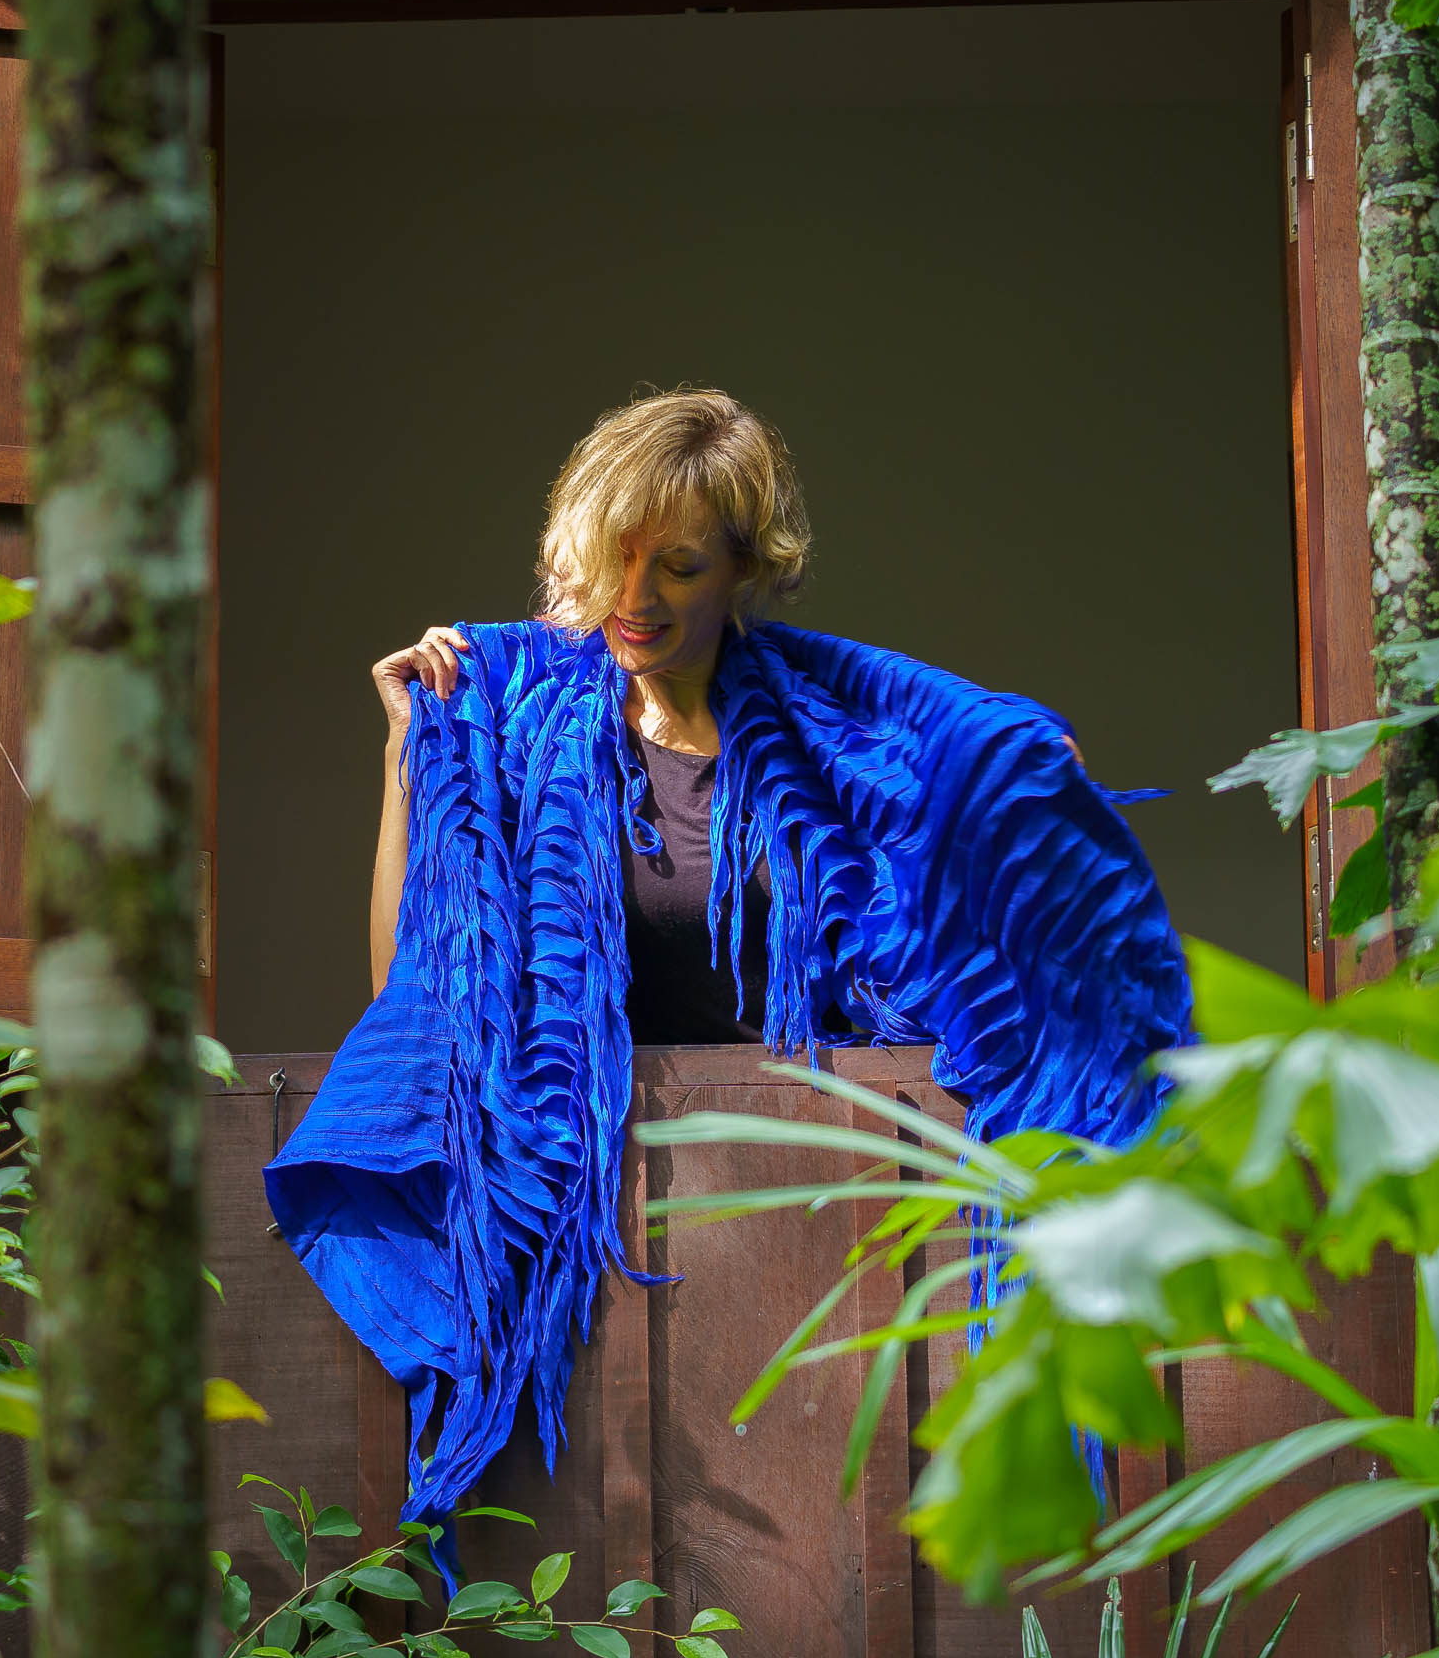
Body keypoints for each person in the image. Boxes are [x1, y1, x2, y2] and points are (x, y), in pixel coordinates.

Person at [266, 387, 1190, 1544]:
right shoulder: (518, 721)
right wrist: (411, 755)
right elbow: (411, 997)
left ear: (747, 569)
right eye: (614, 556)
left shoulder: (831, 724)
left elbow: (980, 814)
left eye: (679, 566)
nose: (635, 598)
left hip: (817, 1210)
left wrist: (1019, 789)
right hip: (602, 1228)